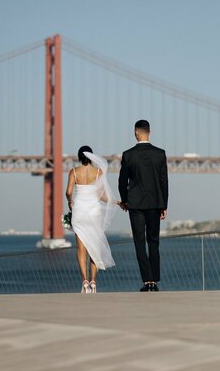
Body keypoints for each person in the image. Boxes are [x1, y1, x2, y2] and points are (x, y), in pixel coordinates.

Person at [118, 120, 168, 292]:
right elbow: (163, 182)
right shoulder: (160, 154)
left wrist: (124, 200)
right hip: (155, 204)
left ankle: (147, 281)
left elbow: (122, 181)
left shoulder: (128, 155)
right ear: (149, 132)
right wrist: (164, 205)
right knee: (153, 242)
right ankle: (155, 281)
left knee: (139, 242)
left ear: (135, 132)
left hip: (136, 205)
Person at [66, 146, 118, 293]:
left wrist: (69, 201)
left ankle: (84, 281)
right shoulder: (98, 173)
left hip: (79, 211)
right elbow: (101, 196)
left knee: (81, 249)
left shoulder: (74, 172)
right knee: (94, 247)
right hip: (94, 211)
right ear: (91, 157)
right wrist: (116, 202)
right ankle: (94, 282)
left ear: (79, 157)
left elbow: (68, 192)